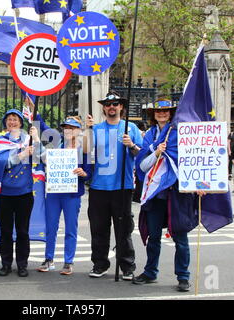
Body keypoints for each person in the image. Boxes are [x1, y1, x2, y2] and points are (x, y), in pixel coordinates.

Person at [132, 99, 198, 292]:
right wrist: (156, 152)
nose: (161, 114)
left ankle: (183, 277)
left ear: (171, 113)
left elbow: (190, 161)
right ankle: (151, 272)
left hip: (176, 193)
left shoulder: (180, 133)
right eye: (158, 111)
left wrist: (198, 183)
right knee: (154, 237)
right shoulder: (150, 135)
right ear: (153, 114)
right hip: (155, 194)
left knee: (180, 238)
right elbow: (143, 165)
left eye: (165, 111)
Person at [84, 92, 143, 280]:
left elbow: (141, 156)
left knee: (123, 229)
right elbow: (84, 152)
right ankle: (100, 264)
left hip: (122, 187)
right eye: (108, 104)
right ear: (103, 108)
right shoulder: (95, 129)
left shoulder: (130, 128)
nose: (112, 107)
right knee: (99, 228)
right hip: (99, 187)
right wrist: (87, 130)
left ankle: (127, 265)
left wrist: (131, 144)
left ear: (121, 107)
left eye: (115, 104)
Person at [36, 115, 92, 275]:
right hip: (54, 192)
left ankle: (68, 262)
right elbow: (44, 128)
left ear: (79, 131)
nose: (68, 130)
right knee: (51, 227)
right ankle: (48, 259)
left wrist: (83, 173)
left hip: (72, 194)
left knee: (70, 228)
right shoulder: (58, 144)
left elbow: (89, 173)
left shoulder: (84, 149)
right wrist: (35, 113)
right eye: (66, 127)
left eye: (72, 127)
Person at [0, 109, 40, 277]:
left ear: (21, 122)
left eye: (15, 119)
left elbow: (42, 158)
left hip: (24, 193)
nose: (12, 122)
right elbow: (4, 162)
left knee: (23, 231)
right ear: (5, 122)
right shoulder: (0, 140)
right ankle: (5, 264)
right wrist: (23, 153)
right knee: (5, 230)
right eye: (9, 119)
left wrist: (37, 139)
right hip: (4, 194)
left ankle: (22, 265)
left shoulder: (29, 139)